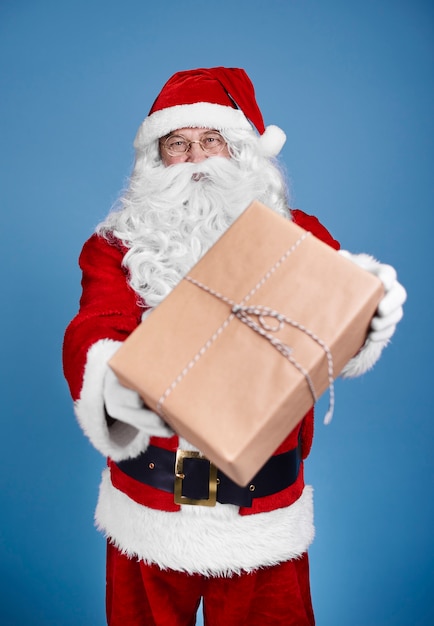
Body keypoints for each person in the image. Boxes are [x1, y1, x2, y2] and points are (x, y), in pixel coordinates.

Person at [63, 67, 406, 626]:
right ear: (157, 158)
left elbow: (330, 324)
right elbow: (94, 324)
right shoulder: (117, 245)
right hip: (150, 508)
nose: (196, 159)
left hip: (262, 513)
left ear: (242, 151)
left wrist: (365, 318)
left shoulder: (299, 234)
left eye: (211, 140)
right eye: (178, 144)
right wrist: (114, 381)